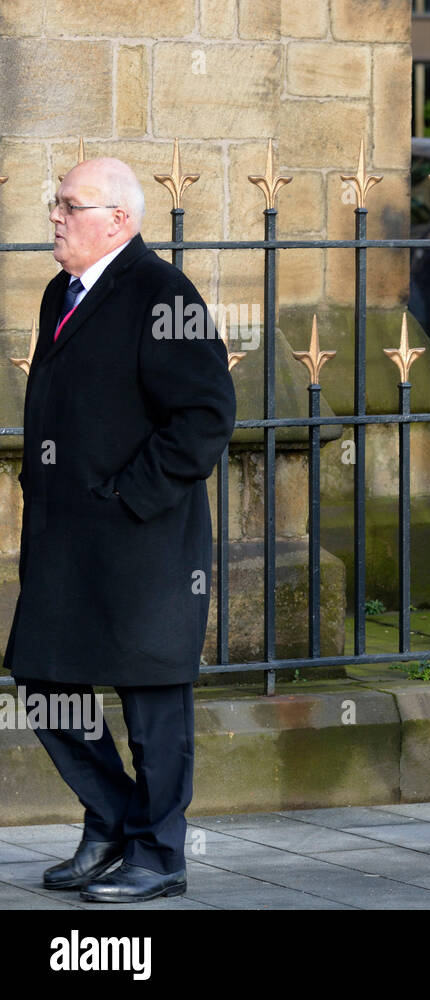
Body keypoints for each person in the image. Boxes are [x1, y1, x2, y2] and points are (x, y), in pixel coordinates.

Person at [3, 158, 236, 901]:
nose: (56, 216)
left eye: (71, 205)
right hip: (67, 539)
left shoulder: (164, 293)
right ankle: (112, 820)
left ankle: (159, 854)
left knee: (152, 699)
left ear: (119, 220)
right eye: (57, 203)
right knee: (42, 681)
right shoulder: (59, 294)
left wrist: (128, 497)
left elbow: (205, 417)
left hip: (143, 540)